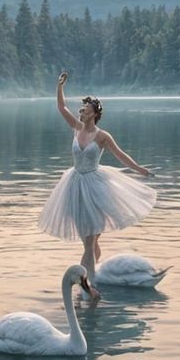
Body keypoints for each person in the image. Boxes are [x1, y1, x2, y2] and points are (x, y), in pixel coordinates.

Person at [41, 71, 156, 277]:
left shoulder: (103, 136)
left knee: (89, 241)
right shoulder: (76, 128)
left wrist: (140, 169)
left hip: (97, 188)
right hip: (74, 186)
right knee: (89, 241)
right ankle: (96, 272)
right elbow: (61, 107)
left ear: (94, 114)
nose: (81, 113)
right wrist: (60, 86)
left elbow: (121, 156)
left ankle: (89, 285)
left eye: (85, 110)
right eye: (81, 110)